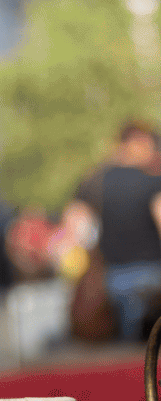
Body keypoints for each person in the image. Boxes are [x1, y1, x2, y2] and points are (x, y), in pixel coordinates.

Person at [65, 122, 161, 341]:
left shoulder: (94, 181)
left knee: (124, 344)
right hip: (152, 275)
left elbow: (75, 227)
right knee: (148, 344)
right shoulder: (153, 182)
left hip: (113, 278)